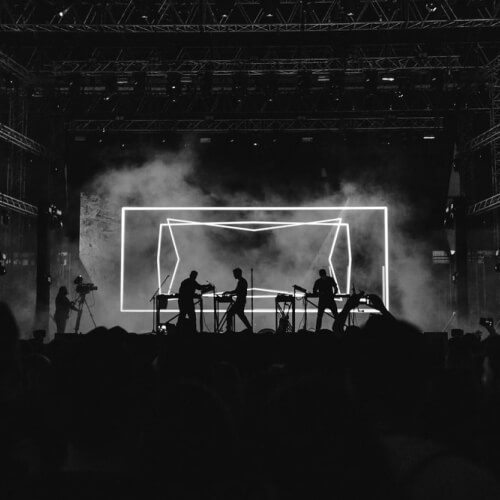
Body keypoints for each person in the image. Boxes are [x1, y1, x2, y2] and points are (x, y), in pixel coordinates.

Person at [223, 267, 252, 332]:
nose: (234, 275)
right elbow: (237, 291)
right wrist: (230, 293)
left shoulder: (241, 281)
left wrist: (229, 293)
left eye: (234, 274)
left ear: (238, 274)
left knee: (230, 313)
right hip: (241, 300)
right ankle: (249, 328)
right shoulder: (242, 281)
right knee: (241, 315)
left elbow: (237, 291)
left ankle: (229, 330)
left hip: (240, 301)